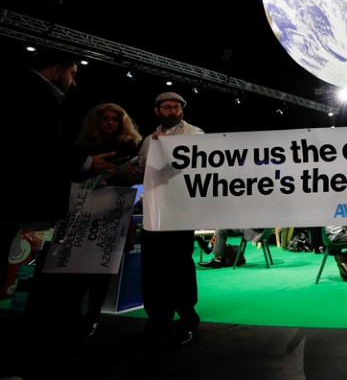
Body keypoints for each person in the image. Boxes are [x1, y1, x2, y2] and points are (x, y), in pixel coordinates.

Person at [0, 50, 118, 378]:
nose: (74, 81)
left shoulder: (18, 90)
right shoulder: (38, 97)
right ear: (55, 70)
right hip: (22, 204)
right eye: (72, 73)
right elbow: (41, 149)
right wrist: (86, 165)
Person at [67, 102, 144, 340]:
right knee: (75, 267)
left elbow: (135, 179)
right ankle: (73, 315)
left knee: (103, 267)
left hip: (114, 210)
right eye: (105, 119)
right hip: (82, 210)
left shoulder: (130, 147)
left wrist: (127, 178)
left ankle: (93, 316)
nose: (109, 123)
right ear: (96, 121)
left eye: (114, 119)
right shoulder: (81, 147)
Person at [137, 92, 203, 345]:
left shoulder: (194, 133)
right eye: (166, 107)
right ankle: (158, 318)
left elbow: (191, 162)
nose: (172, 111)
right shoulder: (148, 140)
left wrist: (164, 146)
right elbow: (143, 169)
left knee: (180, 266)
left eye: (176, 107)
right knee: (153, 268)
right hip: (153, 212)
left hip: (180, 211)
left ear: (182, 111)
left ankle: (187, 316)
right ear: (157, 110)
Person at [197, 228, 266, 268]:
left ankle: (209, 247)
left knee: (221, 228)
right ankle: (212, 252)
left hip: (252, 230)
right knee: (221, 229)